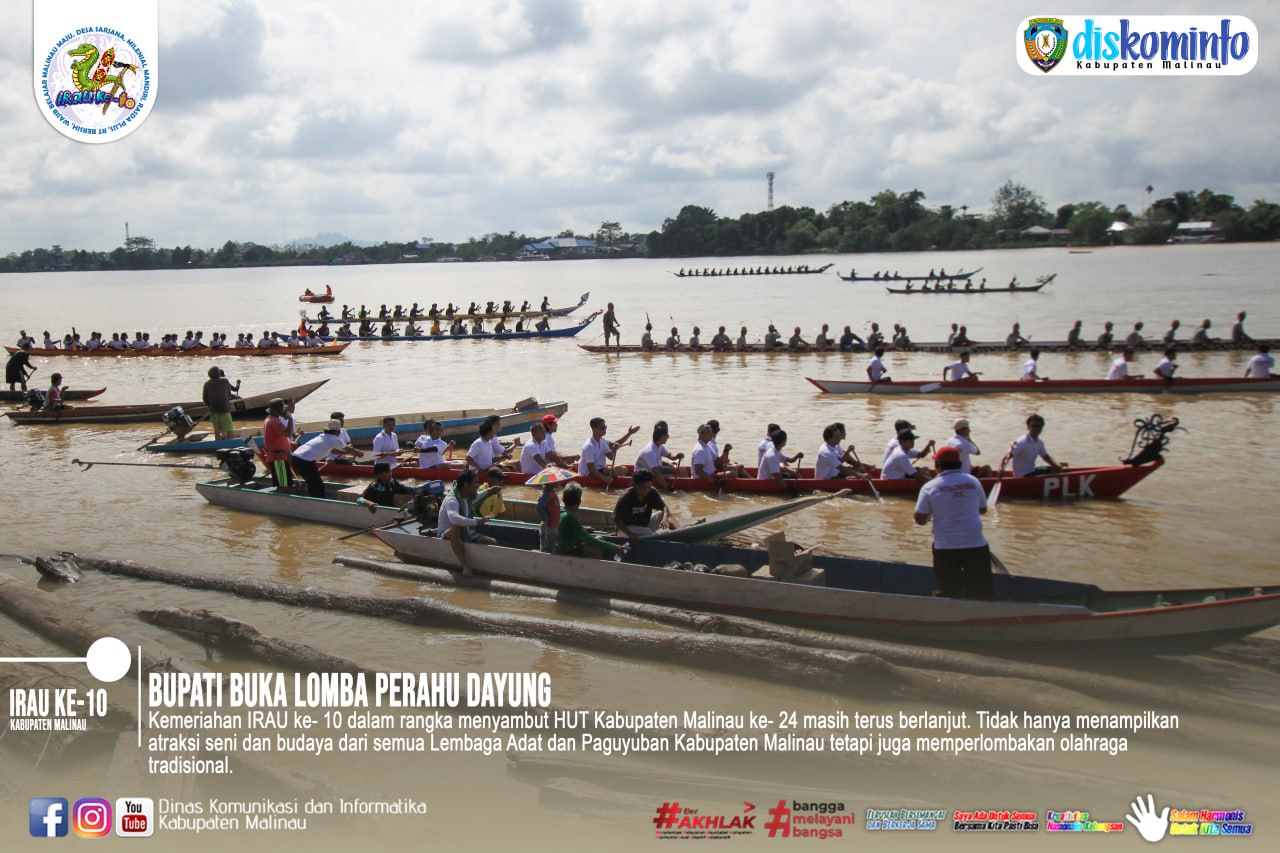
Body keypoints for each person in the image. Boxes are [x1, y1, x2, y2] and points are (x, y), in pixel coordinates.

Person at [914, 445, 992, 599]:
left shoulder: (929, 487)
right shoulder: (974, 481)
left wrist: (934, 512)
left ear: (938, 466)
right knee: (982, 591)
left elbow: (919, 519)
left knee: (948, 592)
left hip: (945, 547)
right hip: (976, 544)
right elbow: (983, 510)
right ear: (959, 464)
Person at [436, 470, 495, 576]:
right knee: (455, 530)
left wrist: (489, 491)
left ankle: (482, 566)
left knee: (492, 542)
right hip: (446, 534)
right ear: (465, 484)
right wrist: (478, 521)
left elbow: (476, 497)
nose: (477, 485)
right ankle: (465, 566)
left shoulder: (468, 495)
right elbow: (454, 519)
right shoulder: (452, 499)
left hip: (465, 531)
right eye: (474, 483)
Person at [556, 484, 625, 559]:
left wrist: (583, 529)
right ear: (579, 502)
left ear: (563, 500)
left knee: (599, 538)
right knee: (595, 547)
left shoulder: (562, 512)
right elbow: (588, 540)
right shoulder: (571, 517)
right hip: (565, 553)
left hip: (563, 548)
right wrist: (614, 547)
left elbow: (569, 530)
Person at [291, 419, 357, 497]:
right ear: (338, 431)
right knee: (317, 485)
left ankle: (314, 498)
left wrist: (326, 459)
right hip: (305, 461)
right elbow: (349, 449)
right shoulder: (335, 439)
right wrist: (359, 453)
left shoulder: (323, 436)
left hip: (296, 457)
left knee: (313, 483)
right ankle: (317, 502)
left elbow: (332, 450)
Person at [614, 469, 677, 539]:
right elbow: (616, 519)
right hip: (625, 529)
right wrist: (630, 534)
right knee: (648, 532)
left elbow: (664, 507)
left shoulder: (652, 492)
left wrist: (664, 519)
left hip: (643, 525)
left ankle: (680, 533)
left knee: (666, 515)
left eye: (649, 487)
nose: (646, 490)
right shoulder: (626, 496)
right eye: (642, 488)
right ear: (634, 485)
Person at [1000, 413, 1065, 477]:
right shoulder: (1022, 442)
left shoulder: (1039, 442)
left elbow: (1046, 457)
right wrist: (1001, 469)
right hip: (1023, 475)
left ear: (1042, 427)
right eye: (1033, 426)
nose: (1036, 428)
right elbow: (1007, 456)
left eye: (1038, 426)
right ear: (1028, 427)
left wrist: (1056, 465)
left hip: (1032, 471)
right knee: (1055, 469)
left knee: (1056, 468)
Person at [579, 417, 638, 485]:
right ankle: (622, 483)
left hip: (601, 469)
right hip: (587, 473)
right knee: (612, 471)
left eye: (605, 427)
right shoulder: (589, 446)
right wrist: (604, 478)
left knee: (624, 469)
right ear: (594, 429)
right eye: (602, 428)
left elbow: (611, 456)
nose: (604, 430)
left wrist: (629, 433)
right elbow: (590, 468)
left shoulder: (602, 441)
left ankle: (621, 480)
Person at [634, 422, 683, 489]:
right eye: (666, 434)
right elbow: (657, 473)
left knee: (680, 470)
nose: (668, 436)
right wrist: (667, 486)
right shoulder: (650, 451)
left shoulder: (660, 445)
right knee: (675, 473)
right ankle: (685, 485)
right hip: (643, 475)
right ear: (661, 436)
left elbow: (670, 456)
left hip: (655, 469)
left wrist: (677, 456)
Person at [260, 399, 293, 489]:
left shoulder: (270, 419)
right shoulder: (274, 421)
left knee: (284, 483)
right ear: (278, 410)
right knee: (283, 485)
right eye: (282, 409)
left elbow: (278, 437)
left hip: (278, 456)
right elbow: (288, 434)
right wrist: (290, 418)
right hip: (278, 457)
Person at [201, 367, 241, 440]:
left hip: (213, 411)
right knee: (229, 431)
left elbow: (204, 398)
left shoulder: (207, 384)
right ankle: (231, 445)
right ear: (219, 374)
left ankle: (218, 446)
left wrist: (210, 406)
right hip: (225, 410)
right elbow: (228, 395)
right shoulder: (225, 381)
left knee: (217, 432)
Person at [536, 479, 563, 553]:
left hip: (553, 526)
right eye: (557, 480)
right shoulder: (547, 494)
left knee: (551, 547)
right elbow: (539, 507)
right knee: (547, 550)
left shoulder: (551, 493)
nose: (560, 482)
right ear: (551, 483)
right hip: (549, 527)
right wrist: (546, 519)